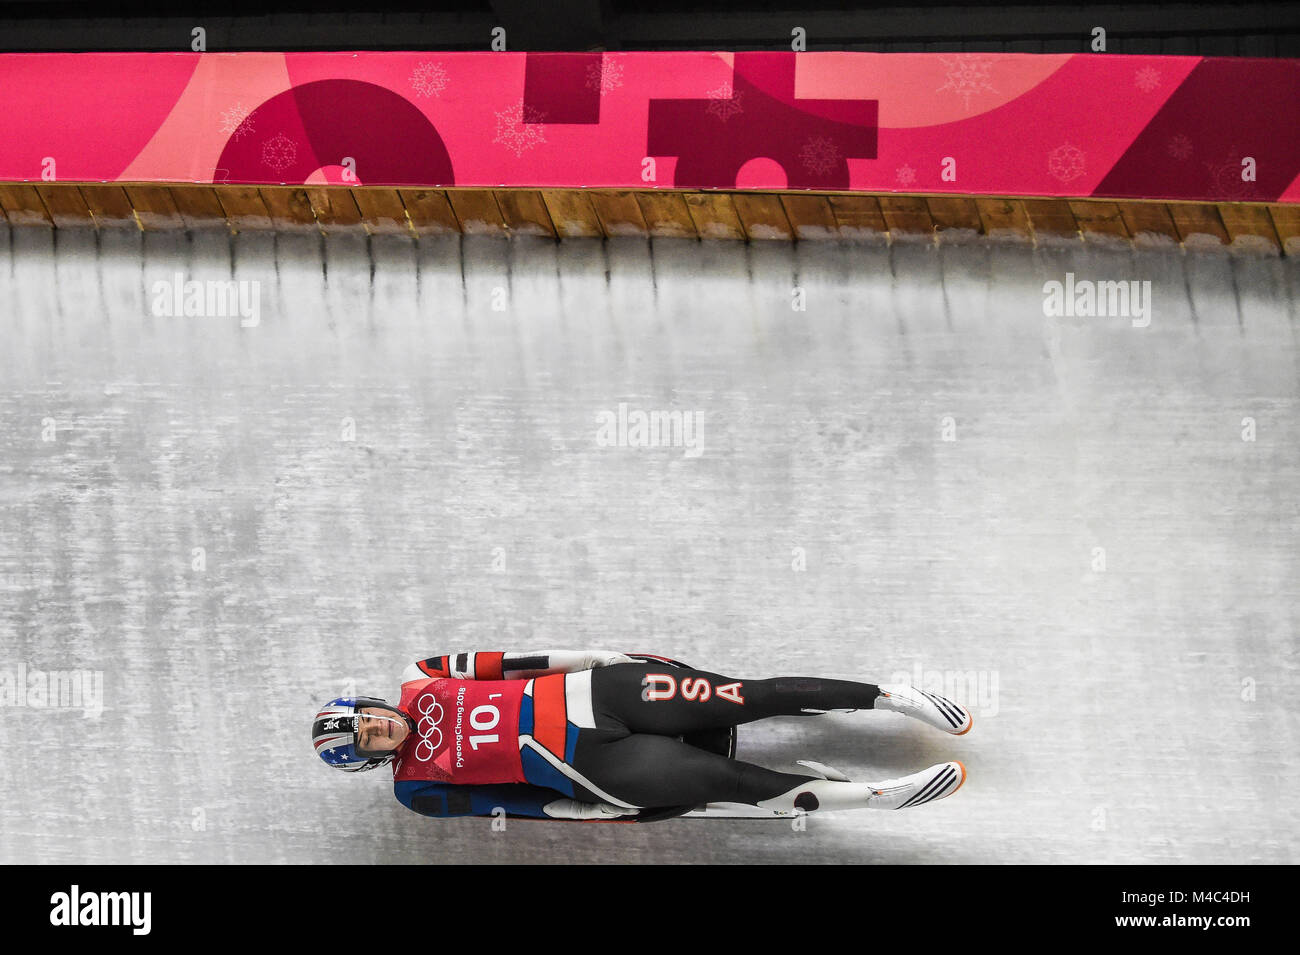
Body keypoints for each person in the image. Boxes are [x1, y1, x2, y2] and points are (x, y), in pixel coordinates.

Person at [312, 650, 972, 821]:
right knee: (730, 784)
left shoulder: (420, 676)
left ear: (374, 702)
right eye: (370, 738)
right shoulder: (416, 788)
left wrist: (596, 655)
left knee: (746, 694)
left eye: (370, 717)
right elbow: (512, 806)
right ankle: (881, 796)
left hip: (596, 691)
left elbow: (512, 659)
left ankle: (888, 696)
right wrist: (596, 814)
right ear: (371, 758)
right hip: (591, 764)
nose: (380, 728)